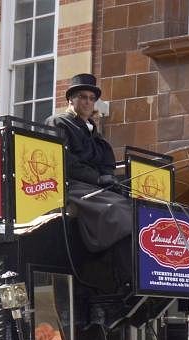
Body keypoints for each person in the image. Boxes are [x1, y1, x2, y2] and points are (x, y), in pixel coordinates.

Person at [45, 74, 132, 253]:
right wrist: (98, 178)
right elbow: (65, 161)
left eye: (92, 99)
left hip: (95, 186)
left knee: (133, 206)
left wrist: (108, 179)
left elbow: (105, 163)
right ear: (70, 99)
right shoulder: (58, 122)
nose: (87, 102)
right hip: (72, 185)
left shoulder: (94, 133)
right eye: (82, 97)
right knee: (117, 209)